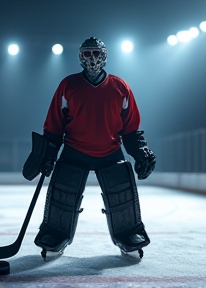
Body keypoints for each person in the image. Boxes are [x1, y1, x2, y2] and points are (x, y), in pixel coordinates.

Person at [22, 36, 156, 259]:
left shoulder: (120, 87)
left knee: (123, 196)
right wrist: (48, 155)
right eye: (87, 53)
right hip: (75, 151)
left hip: (111, 151)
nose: (92, 58)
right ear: (80, 57)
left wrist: (139, 152)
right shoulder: (68, 85)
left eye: (95, 53)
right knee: (61, 196)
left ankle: (129, 232)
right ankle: (55, 233)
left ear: (104, 56)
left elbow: (130, 128)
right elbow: (55, 125)